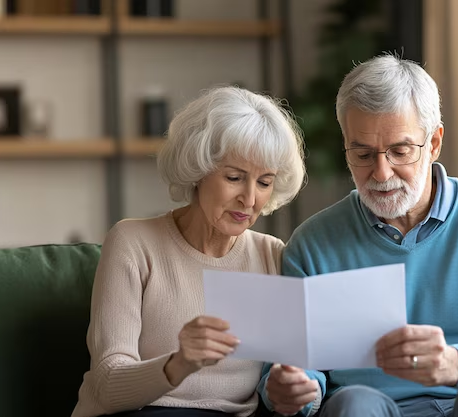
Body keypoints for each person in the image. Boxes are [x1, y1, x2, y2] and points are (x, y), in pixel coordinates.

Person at [258, 54, 458, 417]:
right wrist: (293, 390)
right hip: (372, 409)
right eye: (363, 154)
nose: (381, 174)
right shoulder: (311, 245)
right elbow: (290, 373)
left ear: (433, 143)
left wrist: (456, 362)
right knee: (355, 401)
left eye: (400, 151)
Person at [71, 86, 306, 417]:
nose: (250, 199)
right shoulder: (133, 243)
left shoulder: (273, 256)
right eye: (235, 177)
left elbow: (285, 375)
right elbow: (107, 384)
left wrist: (296, 389)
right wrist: (181, 363)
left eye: (264, 182)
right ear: (198, 169)